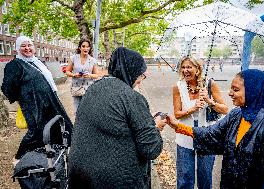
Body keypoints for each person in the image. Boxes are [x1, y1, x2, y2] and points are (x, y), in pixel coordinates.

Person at [167, 69, 264, 189]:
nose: (230, 93)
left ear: (253, 91)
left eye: (236, 89)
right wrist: (178, 126)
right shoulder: (236, 115)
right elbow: (211, 134)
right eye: (231, 88)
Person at [68, 47, 166, 189]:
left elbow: (113, 122)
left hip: (80, 173)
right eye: (141, 75)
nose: (140, 81)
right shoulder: (132, 98)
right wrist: (155, 127)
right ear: (131, 72)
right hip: (115, 179)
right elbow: (151, 149)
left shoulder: (94, 88)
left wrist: (142, 122)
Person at [1, 36, 73, 162]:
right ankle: (19, 157)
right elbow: (8, 87)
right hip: (32, 103)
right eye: (23, 46)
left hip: (49, 100)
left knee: (60, 123)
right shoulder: (15, 65)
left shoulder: (36, 61)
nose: (27, 48)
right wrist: (22, 98)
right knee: (36, 131)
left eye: (29, 45)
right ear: (17, 49)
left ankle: (59, 150)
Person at [173, 56, 228, 189]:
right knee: (185, 177)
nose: (185, 70)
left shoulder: (210, 84)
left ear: (197, 69)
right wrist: (192, 109)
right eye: (183, 67)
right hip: (185, 136)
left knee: (205, 176)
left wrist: (210, 101)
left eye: (189, 67)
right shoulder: (177, 87)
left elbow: (225, 109)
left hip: (207, 136)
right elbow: (177, 114)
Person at [65, 39, 99, 114]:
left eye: (88, 47)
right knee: (77, 112)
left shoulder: (93, 60)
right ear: (80, 48)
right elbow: (67, 72)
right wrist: (74, 75)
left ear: (90, 48)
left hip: (89, 89)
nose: (86, 48)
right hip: (76, 89)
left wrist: (89, 75)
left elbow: (96, 75)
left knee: (87, 112)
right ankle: (78, 125)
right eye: (83, 46)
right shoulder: (73, 58)